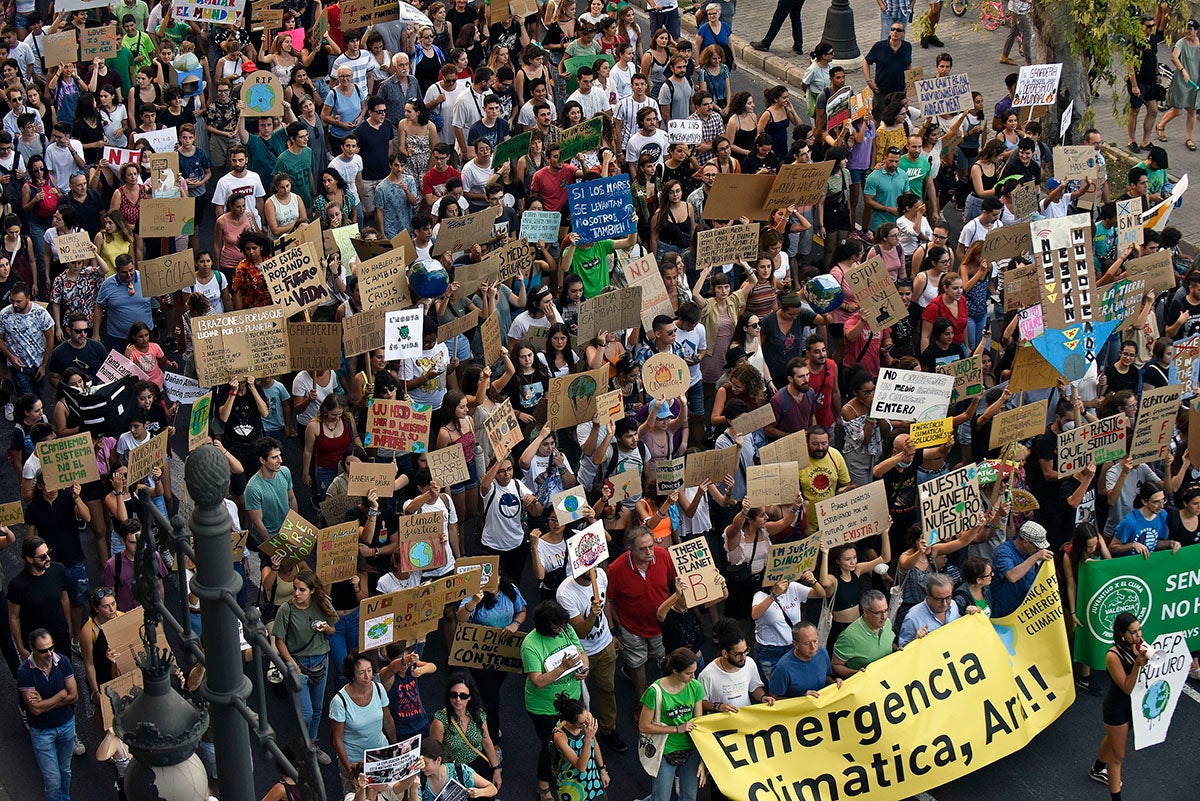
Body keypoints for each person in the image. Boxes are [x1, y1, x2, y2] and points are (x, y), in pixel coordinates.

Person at [521, 600, 588, 801]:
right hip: (544, 707)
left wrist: (584, 669)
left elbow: (582, 652)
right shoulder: (530, 645)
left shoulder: (566, 629)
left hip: (572, 698)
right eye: (556, 627)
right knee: (550, 745)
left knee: (571, 738)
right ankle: (543, 786)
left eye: (562, 626)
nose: (561, 630)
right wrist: (563, 667)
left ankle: (559, 768)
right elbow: (537, 681)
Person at [273, 566, 337, 763]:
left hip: (320, 661)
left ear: (312, 591)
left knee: (317, 708)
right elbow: (279, 640)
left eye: (302, 589)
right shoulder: (286, 609)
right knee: (306, 713)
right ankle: (302, 746)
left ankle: (311, 745)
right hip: (299, 663)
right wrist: (292, 664)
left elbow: (333, 630)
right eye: (295, 588)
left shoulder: (322, 604)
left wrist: (326, 628)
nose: (297, 593)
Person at [606, 527, 673, 701]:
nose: (649, 552)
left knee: (660, 657)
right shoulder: (615, 569)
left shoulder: (663, 556)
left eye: (650, 546)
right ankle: (642, 702)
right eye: (643, 549)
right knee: (637, 664)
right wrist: (615, 627)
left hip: (661, 625)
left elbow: (673, 584)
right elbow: (609, 600)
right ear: (631, 549)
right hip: (631, 627)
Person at [1090, 612, 1149, 797]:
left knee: (1114, 739)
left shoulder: (1138, 645)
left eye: (1139, 630)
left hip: (1133, 707)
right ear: (1122, 633)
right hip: (1117, 709)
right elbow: (1126, 688)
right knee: (1117, 756)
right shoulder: (1113, 656)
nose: (1138, 635)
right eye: (1133, 632)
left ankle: (1097, 769)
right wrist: (1138, 665)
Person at [19, 628, 81, 801]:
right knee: (52, 780)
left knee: (65, 770)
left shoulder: (63, 662)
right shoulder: (25, 672)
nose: (49, 653)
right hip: (42, 731)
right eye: (43, 650)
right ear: (32, 649)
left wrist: (47, 701)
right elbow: (35, 709)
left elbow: (74, 696)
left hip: (66, 724)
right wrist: (61, 695)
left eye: (51, 648)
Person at [637, 647, 706, 801]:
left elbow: (698, 724)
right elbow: (643, 725)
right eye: (689, 673)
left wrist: (702, 761)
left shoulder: (695, 687)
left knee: (689, 796)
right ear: (675, 671)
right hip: (665, 750)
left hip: (690, 750)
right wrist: (676, 729)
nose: (693, 676)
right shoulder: (655, 692)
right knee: (661, 798)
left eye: (694, 672)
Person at [330, 652, 396, 793]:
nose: (367, 677)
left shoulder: (378, 689)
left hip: (380, 753)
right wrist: (350, 771)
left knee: (386, 793)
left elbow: (388, 720)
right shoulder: (339, 701)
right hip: (355, 760)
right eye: (361, 673)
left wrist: (394, 749)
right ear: (352, 675)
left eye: (369, 670)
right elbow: (337, 739)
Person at [429, 671, 502, 784]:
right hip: (455, 771)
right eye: (454, 695)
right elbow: (434, 753)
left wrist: (496, 769)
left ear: (470, 697)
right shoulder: (440, 721)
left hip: (478, 766)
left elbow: (486, 740)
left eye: (463, 696)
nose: (458, 699)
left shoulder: (478, 714)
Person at [698, 618, 773, 710]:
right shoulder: (707, 675)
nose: (744, 657)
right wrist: (718, 706)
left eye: (746, 651)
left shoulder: (749, 663)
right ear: (725, 653)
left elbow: (754, 687)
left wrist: (762, 697)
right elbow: (700, 703)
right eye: (738, 654)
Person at [551, 692, 609, 801]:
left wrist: (602, 770)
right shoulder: (560, 736)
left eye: (587, 716)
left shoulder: (587, 718)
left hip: (592, 778)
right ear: (570, 723)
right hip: (573, 784)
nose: (587, 723)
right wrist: (588, 738)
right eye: (582, 723)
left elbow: (594, 743)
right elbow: (581, 767)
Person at [990, 521, 1055, 617]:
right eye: (1036, 547)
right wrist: (1035, 557)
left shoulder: (1030, 553)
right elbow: (1012, 576)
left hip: (1025, 611)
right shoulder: (1004, 552)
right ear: (1026, 542)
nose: (1038, 550)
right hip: (1005, 611)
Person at [0, 280, 53, 396]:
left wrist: (44, 366)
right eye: (12, 301)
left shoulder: (41, 313)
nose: (15, 305)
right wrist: (11, 357)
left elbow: (49, 339)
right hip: (19, 366)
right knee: (26, 399)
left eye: (18, 301)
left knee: (39, 397)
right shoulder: (4, 315)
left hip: (39, 362)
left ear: (28, 298)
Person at [831, 590, 896, 678]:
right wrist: (858, 674)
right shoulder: (849, 637)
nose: (884, 617)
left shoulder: (887, 623)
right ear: (865, 612)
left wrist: (899, 650)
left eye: (886, 611)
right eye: (878, 613)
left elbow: (889, 644)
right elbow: (835, 666)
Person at [769, 621, 841, 698]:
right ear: (795, 644)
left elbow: (825, 676)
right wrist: (802, 698)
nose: (813, 647)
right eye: (807, 643)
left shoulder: (822, 653)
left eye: (815, 641)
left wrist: (833, 683)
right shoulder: (782, 668)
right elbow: (774, 696)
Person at [897, 573, 970, 646]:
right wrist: (915, 640)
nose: (944, 604)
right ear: (928, 594)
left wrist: (972, 615)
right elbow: (903, 650)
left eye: (948, 598)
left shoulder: (953, 605)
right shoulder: (912, 618)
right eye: (938, 599)